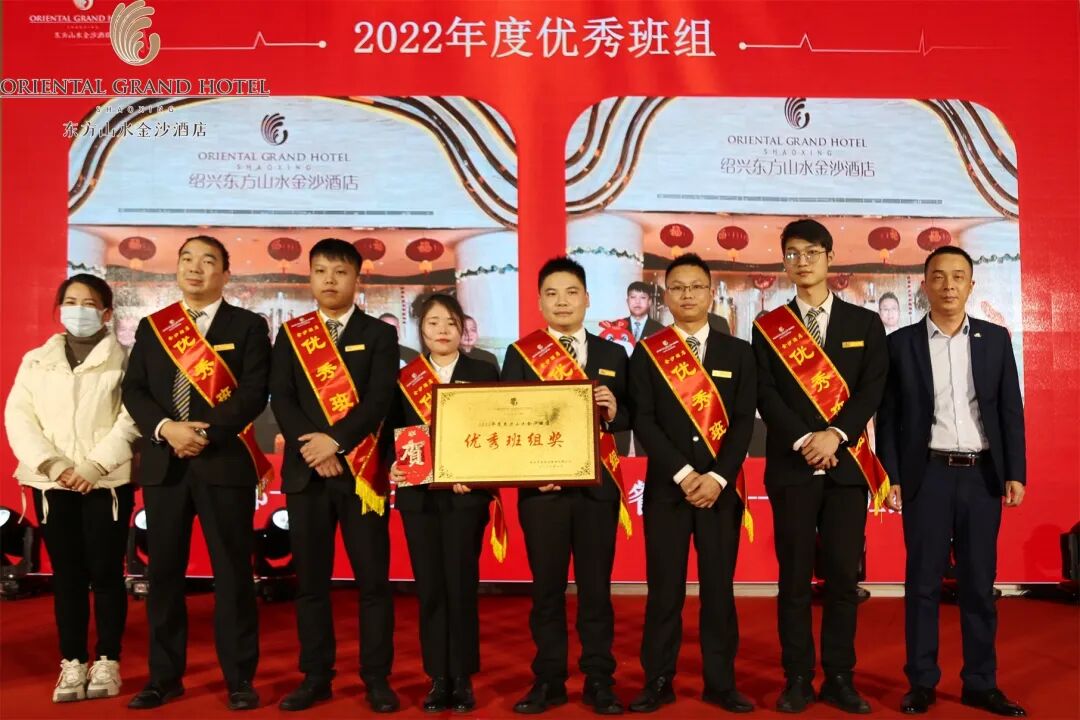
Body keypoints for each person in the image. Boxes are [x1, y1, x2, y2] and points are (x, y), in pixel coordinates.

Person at [121, 236, 272, 710]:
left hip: (223, 463)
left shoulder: (247, 325)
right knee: (163, 574)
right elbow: (135, 390)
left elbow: (253, 392)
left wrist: (205, 433)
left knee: (233, 573)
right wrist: (167, 429)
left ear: (226, 273)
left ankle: (239, 679)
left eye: (208, 261)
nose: (195, 268)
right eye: (187, 259)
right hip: (165, 465)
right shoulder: (154, 327)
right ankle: (164, 678)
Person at [878, 246, 1028, 718]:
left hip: (982, 476)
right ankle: (922, 681)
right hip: (927, 476)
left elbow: (1010, 410)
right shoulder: (901, 344)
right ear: (924, 285)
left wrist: (1015, 471)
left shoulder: (995, 339)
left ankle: (981, 682)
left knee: (979, 585)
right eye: (939, 277)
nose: (948, 285)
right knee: (922, 584)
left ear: (970, 284)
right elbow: (889, 419)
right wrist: (892, 476)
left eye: (958, 276)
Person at [751, 219, 888, 714]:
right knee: (792, 579)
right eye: (793, 253)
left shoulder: (864, 324)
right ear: (784, 262)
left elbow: (872, 388)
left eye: (811, 252)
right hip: (792, 466)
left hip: (846, 469)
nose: (802, 261)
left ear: (830, 257)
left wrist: (836, 435)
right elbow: (765, 393)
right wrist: (807, 439)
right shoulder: (768, 327)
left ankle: (840, 677)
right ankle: (797, 678)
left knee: (842, 579)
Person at [270, 239, 400, 713]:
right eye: (320, 270)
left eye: (340, 271)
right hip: (308, 475)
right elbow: (282, 397)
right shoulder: (292, 333)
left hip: (361, 474)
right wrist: (315, 447)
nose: (329, 279)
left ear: (356, 279)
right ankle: (316, 676)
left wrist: (337, 442)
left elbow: (379, 399)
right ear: (309, 276)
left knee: (373, 583)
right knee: (311, 583)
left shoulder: (378, 334)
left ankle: (376, 679)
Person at [628, 253, 756, 715]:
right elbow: (644, 420)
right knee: (665, 590)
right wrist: (684, 474)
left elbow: (742, 422)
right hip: (669, 489)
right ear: (666, 296)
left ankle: (720, 683)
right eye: (678, 288)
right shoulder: (648, 353)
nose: (687, 295)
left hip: (720, 492)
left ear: (710, 293)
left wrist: (718, 477)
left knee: (718, 590)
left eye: (696, 287)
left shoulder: (738, 352)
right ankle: (658, 680)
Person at [503, 257, 630, 715]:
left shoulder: (613, 354)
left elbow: (632, 416)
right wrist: (534, 472)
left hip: (597, 491)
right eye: (552, 294)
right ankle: (549, 680)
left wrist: (614, 410)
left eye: (571, 292)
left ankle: (599, 680)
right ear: (539, 302)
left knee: (596, 591)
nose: (562, 302)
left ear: (587, 299)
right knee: (547, 591)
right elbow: (507, 420)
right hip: (543, 493)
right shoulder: (520, 354)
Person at [4, 274, 139, 704]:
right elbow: (19, 417)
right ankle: (73, 661)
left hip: (106, 481)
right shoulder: (35, 360)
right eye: (71, 301)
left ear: (106, 312)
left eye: (89, 303)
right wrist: (55, 466)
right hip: (51, 482)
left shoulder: (126, 360)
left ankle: (108, 659)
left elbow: (131, 418)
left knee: (106, 573)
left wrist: (94, 466)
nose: (79, 310)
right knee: (67, 575)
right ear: (60, 308)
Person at [388, 293, 500, 713]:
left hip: (465, 498)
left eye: (450, 323)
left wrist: (476, 473)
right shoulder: (405, 376)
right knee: (431, 588)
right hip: (419, 499)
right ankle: (437, 677)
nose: (442, 330)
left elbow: (496, 428)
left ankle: (463, 677)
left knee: (461, 586)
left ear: (462, 329)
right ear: (421, 329)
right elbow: (389, 431)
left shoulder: (483, 371)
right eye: (433, 322)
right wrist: (392, 466)